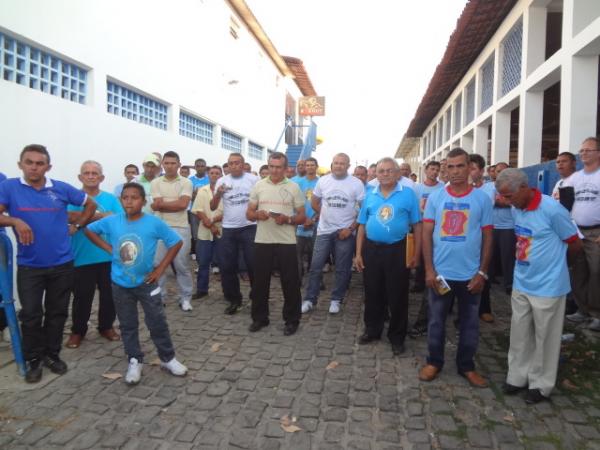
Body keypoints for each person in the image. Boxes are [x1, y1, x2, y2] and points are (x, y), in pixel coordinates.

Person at [0, 144, 97, 383]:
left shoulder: (61, 188)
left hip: (62, 264)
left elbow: (90, 205)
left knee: (57, 312)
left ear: (48, 166)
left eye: (39, 163)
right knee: (31, 314)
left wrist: (78, 225)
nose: (34, 167)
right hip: (30, 266)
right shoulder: (9, 187)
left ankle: (52, 355)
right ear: (20, 164)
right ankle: (34, 359)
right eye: (29, 162)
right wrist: (14, 221)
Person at [85, 182, 187, 384]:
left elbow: (176, 242)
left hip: (147, 283)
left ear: (144, 201)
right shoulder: (113, 221)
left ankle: (168, 358)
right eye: (125, 197)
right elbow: (89, 230)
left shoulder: (153, 223)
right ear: (121, 200)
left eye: (134, 197)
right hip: (120, 284)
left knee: (157, 321)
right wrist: (109, 249)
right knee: (127, 324)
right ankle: (134, 359)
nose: (129, 201)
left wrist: (160, 269)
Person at [495, 168, 582, 403]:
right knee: (520, 333)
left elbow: (574, 244)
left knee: (546, 337)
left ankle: (540, 385)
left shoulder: (552, 210)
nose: (505, 201)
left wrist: (559, 268)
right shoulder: (517, 208)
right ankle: (517, 377)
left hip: (548, 285)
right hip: (522, 281)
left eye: (508, 196)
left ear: (523, 188)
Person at [418, 148, 493, 388]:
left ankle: (466, 366)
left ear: (469, 167)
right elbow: (427, 235)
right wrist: (429, 270)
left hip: (471, 276)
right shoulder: (436, 198)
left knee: (470, 323)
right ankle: (434, 361)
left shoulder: (482, 199)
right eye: (450, 167)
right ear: (444, 170)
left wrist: (482, 272)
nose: (455, 171)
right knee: (436, 321)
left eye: (460, 166)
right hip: (441, 275)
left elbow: (488, 237)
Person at [355, 157, 422, 355]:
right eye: (381, 171)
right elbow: (362, 226)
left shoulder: (408, 194)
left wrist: (416, 254)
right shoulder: (370, 194)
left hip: (397, 249)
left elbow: (417, 226)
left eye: (389, 171)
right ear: (376, 174)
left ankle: (397, 336)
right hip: (372, 250)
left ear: (397, 173)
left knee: (398, 294)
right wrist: (358, 253)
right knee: (373, 291)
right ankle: (372, 330)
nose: (385, 174)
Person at [246, 152, 306, 335]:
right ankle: (259, 318)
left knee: (290, 283)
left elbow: (303, 216)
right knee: (259, 283)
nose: (274, 170)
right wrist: (258, 215)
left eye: (278, 167)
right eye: (271, 166)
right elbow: (248, 213)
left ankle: (292, 320)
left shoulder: (294, 187)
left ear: (286, 168)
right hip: (263, 240)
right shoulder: (258, 185)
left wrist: (287, 219)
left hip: (286, 241)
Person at [66, 160, 124, 349]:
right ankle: (78, 331)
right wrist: (101, 216)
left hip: (108, 255)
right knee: (82, 297)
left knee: (109, 295)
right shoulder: (73, 198)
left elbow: (119, 220)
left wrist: (84, 218)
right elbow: (70, 218)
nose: (90, 176)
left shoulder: (111, 199)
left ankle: (106, 327)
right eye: (87, 173)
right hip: (82, 256)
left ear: (101, 177)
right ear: (80, 177)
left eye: (94, 173)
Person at [301, 153, 365, 314]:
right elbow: (314, 202)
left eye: (342, 163)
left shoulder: (356, 183)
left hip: (345, 232)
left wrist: (350, 229)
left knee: (342, 269)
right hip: (323, 231)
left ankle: (336, 299)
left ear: (348, 166)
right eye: (336, 163)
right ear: (332, 164)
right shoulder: (323, 181)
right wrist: (325, 214)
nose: (338, 166)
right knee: (315, 267)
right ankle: (310, 299)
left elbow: (364, 211)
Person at [211, 153, 259, 315]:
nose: (234, 166)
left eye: (237, 163)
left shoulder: (253, 180)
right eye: (231, 163)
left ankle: (257, 296)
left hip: (249, 226)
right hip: (229, 228)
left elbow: (261, 200)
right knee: (227, 266)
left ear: (243, 164)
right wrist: (218, 193)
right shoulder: (221, 181)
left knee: (253, 265)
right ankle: (234, 299)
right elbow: (212, 206)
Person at [150, 151, 194, 311]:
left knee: (181, 265)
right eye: (166, 163)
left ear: (179, 165)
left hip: (181, 227)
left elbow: (183, 205)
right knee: (158, 264)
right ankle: (159, 297)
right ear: (162, 164)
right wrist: (170, 204)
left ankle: (186, 298)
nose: (169, 166)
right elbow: (157, 204)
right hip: (160, 228)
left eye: (173, 163)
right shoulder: (156, 182)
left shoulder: (186, 182)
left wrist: (162, 205)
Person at [564, 137, 600, 331]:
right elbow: (567, 205)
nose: (584, 153)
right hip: (576, 231)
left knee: (596, 272)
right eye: (582, 150)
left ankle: (596, 313)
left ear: (598, 153)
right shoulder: (575, 178)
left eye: (588, 150)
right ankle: (582, 310)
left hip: (596, 232)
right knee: (578, 272)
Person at [408, 160, 444, 337]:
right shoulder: (417, 189)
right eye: (432, 169)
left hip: (438, 230)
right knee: (420, 258)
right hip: (420, 226)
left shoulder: (443, 188)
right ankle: (419, 282)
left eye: (437, 170)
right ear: (425, 170)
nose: (434, 172)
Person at [468, 154, 497, 323]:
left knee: (483, 271)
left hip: (482, 236)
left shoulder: (489, 189)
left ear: (481, 171)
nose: (469, 172)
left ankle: (484, 308)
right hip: (465, 237)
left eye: (473, 168)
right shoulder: (457, 187)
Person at [191, 165, 223, 299]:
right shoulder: (202, 190)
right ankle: (202, 289)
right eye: (212, 173)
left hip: (221, 231)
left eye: (217, 173)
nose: (214, 175)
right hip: (205, 231)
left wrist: (214, 220)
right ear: (208, 175)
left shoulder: (225, 191)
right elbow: (198, 210)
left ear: (221, 175)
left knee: (224, 263)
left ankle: (228, 291)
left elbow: (228, 211)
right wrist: (210, 224)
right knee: (203, 262)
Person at [295, 158, 320, 279]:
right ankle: (298, 279)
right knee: (297, 255)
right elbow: (294, 203)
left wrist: (313, 219)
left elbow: (324, 205)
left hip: (316, 224)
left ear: (316, 167)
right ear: (305, 167)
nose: (310, 167)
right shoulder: (298, 183)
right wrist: (303, 219)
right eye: (307, 165)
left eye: (312, 165)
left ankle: (316, 281)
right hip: (300, 224)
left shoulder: (321, 182)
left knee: (316, 255)